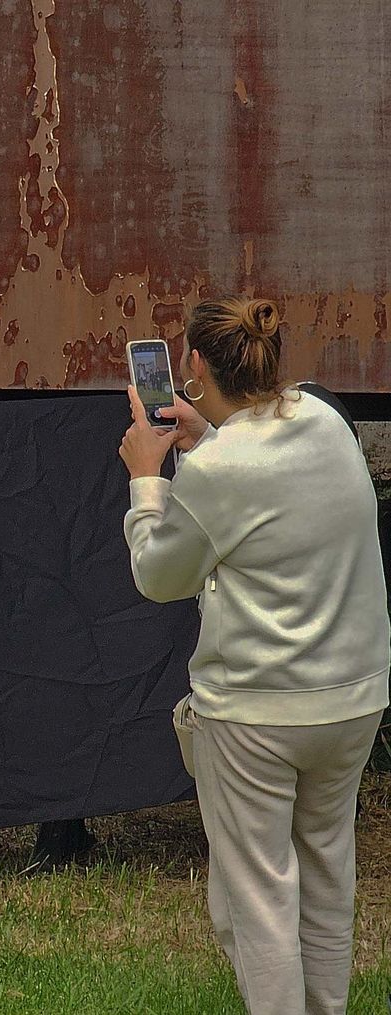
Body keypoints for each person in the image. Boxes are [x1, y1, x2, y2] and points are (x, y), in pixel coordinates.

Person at [119, 296, 388, 1015]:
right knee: (327, 871)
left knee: (261, 896)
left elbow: (157, 574)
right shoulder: (325, 422)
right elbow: (263, 479)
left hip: (257, 713)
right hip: (353, 698)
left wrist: (148, 478)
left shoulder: (215, 472)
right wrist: (207, 437)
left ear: (195, 366)